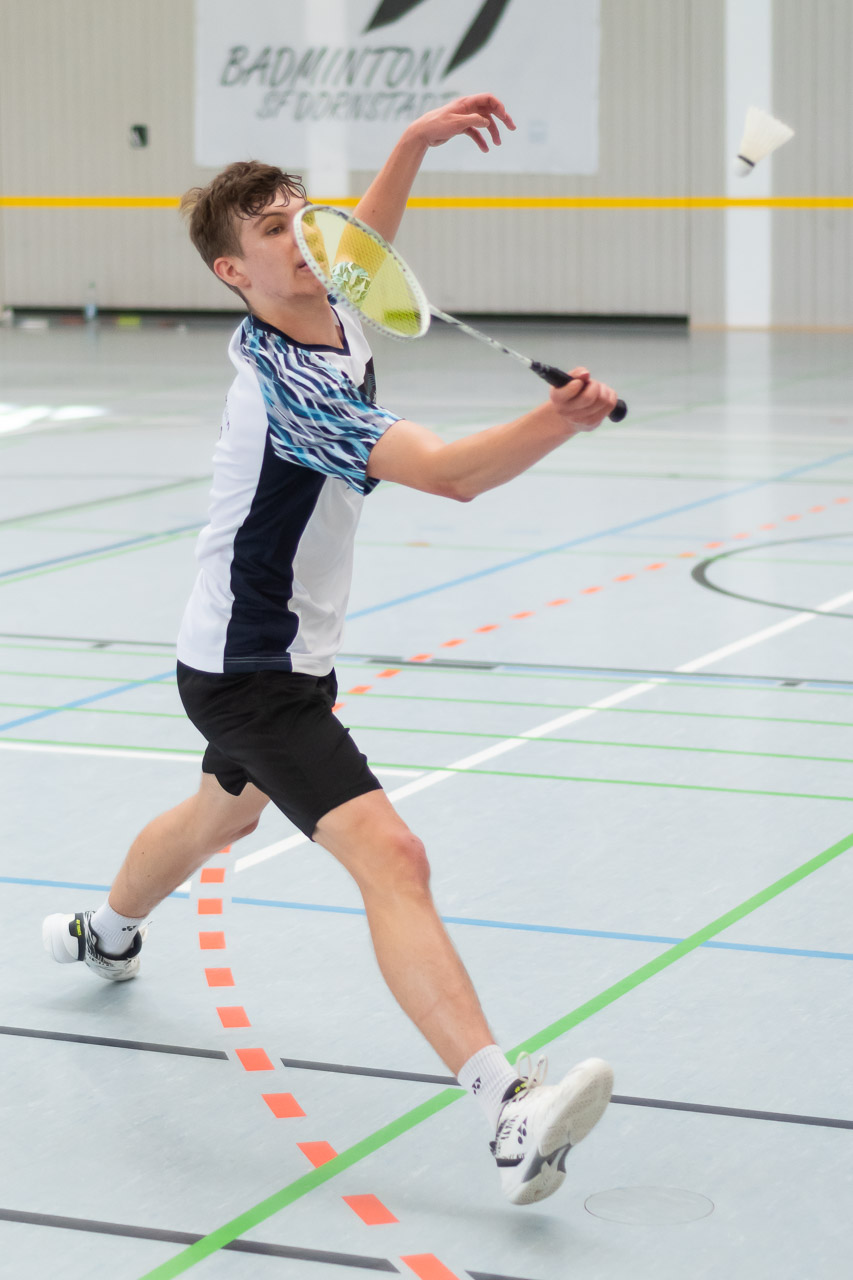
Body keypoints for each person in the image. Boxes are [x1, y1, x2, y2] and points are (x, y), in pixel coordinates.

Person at [43, 95, 616, 1207]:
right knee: (392, 856)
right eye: (276, 231)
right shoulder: (292, 385)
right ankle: (505, 1108)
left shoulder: (329, 304)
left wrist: (410, 144)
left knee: (220, 815)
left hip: (271, 652)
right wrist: (557, 420)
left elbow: (359, 250)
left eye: (309, 219)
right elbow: (445, 474)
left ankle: (103, 933)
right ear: (233, 272)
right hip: (250, 672)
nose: (308, 240)